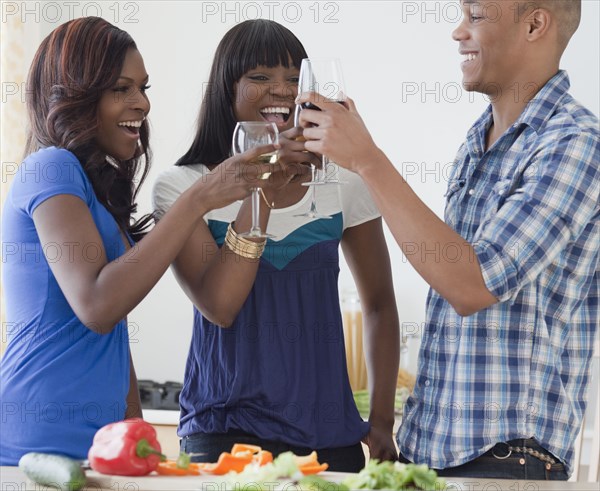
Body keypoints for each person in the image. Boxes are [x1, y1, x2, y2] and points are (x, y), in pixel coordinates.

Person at [297, 0, 599, 481]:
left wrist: (368, 160)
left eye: (475, 16)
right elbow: (444, 265)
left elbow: (472, 285)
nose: (458, 32)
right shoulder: (480, 138)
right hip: (429, 456)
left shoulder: (575, 144)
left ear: (535, 24)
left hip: (505, 464)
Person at [0, 16, 276, 465]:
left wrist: (138, 429)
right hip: (38, 439)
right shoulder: (49, 167)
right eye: (121, 88)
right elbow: (97, 306)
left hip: (102, 446)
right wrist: (198, 198)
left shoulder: (94, 184)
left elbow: (111, 335)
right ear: (77, 93)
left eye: (144, 88)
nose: (141, 104)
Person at [152, 19, 400, 472]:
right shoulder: (185, 188)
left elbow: (380, 303)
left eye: (293, 79)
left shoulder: (343, 180)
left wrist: (381, 420)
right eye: (261, 77)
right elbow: (220, 306)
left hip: (331, 438)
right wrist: (264, 179)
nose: (281, 91)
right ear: (226, 89)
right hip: (224, 434)